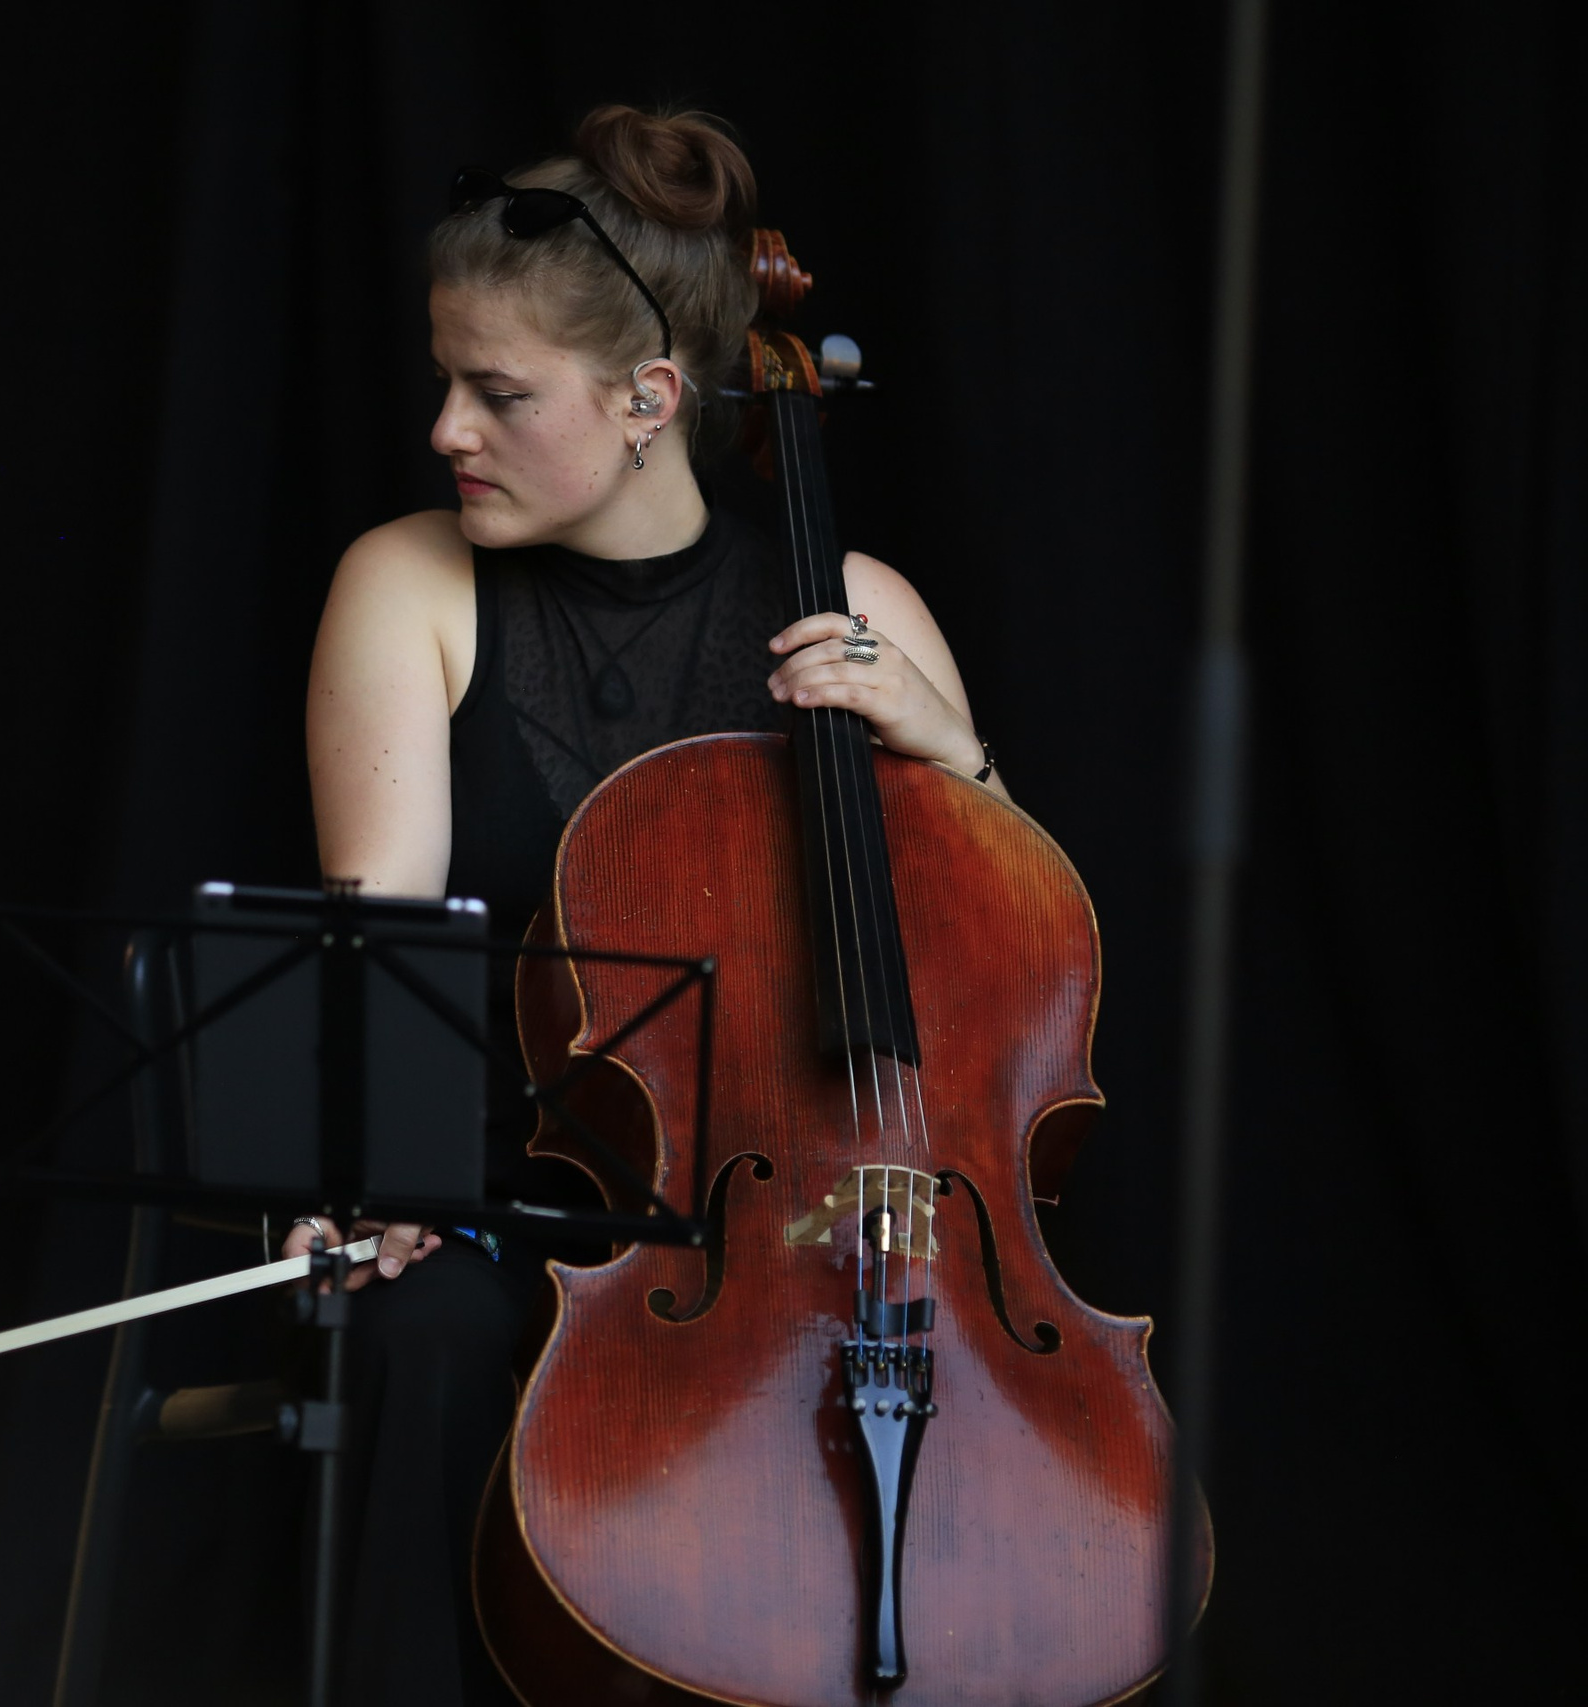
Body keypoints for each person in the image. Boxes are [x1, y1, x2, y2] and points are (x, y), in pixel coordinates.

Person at [282, 104, 1006, 1706]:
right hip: (507, 1209)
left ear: (649, 402)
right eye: (445, 378)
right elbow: (377, 938)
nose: (447, 429)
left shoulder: (858, 609)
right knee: (419, 1339)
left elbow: (1013, 971)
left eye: (499, 394)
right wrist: (377, 1169)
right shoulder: (410, 584)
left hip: (816, 1227)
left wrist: (955, 755)